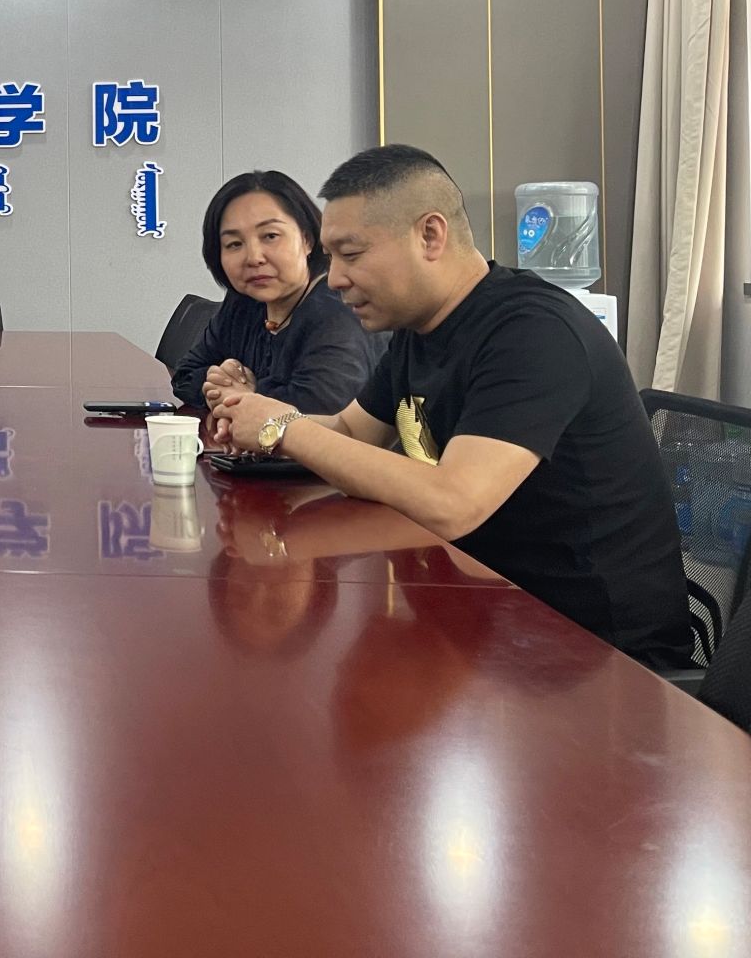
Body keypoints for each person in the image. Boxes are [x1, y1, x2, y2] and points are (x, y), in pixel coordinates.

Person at [212, 143, 692, 668]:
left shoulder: (533, 332)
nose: (337, 278)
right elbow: (350, 431)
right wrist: (258, 421)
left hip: (597, 655)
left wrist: (284, 426)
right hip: (485, 612)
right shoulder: (419, 329)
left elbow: (456, 502)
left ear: (430, 235)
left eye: (351, 254)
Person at [169, 169, 383, 415]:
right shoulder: (245, 301)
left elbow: (323, 410)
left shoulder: (338, 311)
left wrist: (249, 395)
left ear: (307, 240)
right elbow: (185, 375)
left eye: (270, 236)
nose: (254, 258)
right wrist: (222, 384)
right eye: (234, 244)